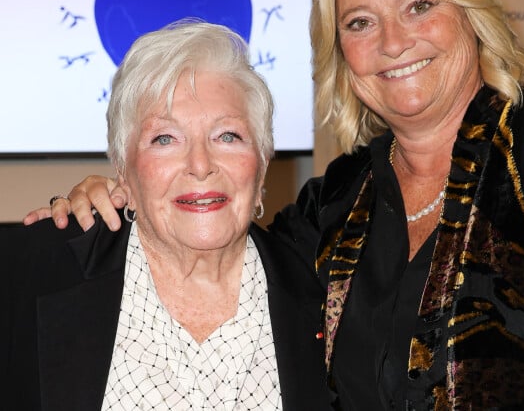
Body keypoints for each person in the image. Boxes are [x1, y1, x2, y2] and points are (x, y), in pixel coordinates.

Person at [26, 0, 524, 409]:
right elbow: (210, 218)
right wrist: (111, 191)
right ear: (340, 52)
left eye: (418, 6)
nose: (392, 41)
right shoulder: (338, 206)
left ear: (470, 9)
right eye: (360, 22)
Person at [3, 21, 331, 411]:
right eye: (165, 139)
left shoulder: (328, 290)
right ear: (123, 170)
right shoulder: (27, 274)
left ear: (261, 166)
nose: (200, 165)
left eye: (227, 136)